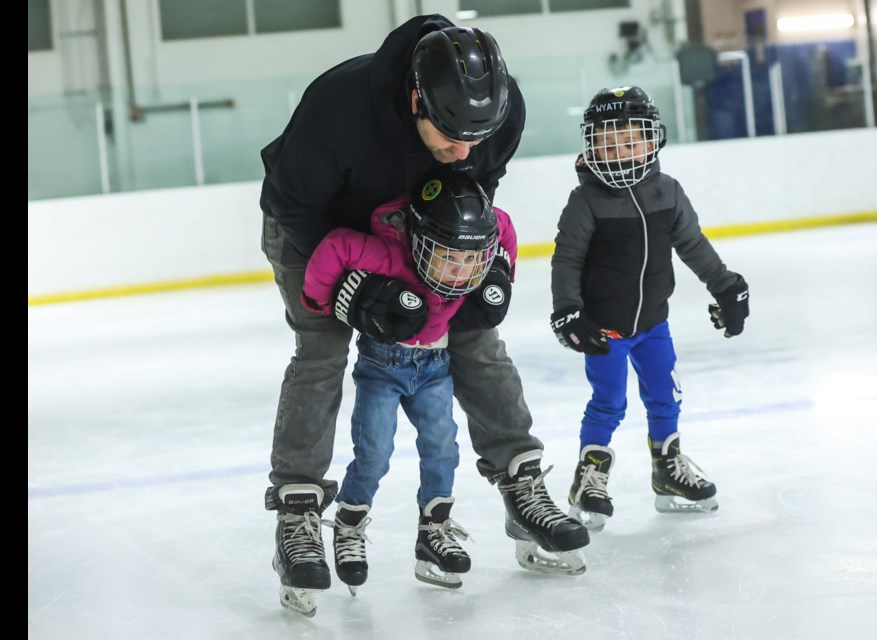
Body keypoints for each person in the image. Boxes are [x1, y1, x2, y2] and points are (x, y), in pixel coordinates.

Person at [259, 15, 589, 617]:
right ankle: (298, 511)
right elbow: (294, 209)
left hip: (425, 231)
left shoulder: (500, 115)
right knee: (322, 351)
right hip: (315, 229)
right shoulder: (338, 108)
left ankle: (521, 479)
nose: (463, 151)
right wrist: (351, 291)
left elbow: (477, 195)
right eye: (449, 135)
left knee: (477, 338)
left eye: (476, 138)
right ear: (416, 97)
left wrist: (485, 270)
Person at [298, 172, 517, 597]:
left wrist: (503, 270)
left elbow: (502, 225)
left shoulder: (471, 249)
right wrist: (319, 302)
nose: (459, 273)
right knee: (375, 454)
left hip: (436, 365)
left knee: (443, 448)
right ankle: (349, 524)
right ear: (420, 242)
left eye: (470, 262)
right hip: (381, 368)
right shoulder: (388, 253)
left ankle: (433, 530)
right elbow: (337, 245)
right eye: (447, 259)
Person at [549, 85, 750, 531]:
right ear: (592, 144)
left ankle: (668, 473)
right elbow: (567, 259)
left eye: (632, 139)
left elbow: (693, 245)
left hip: (654, 324)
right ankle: (590, 478)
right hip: (606, 330)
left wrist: (726, 286)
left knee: (666, 395)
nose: (621, 150)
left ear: (651, 139)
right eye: (609, 141)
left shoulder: (668, 192)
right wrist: (568, 309)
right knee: (609, 403)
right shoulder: (585, 201)